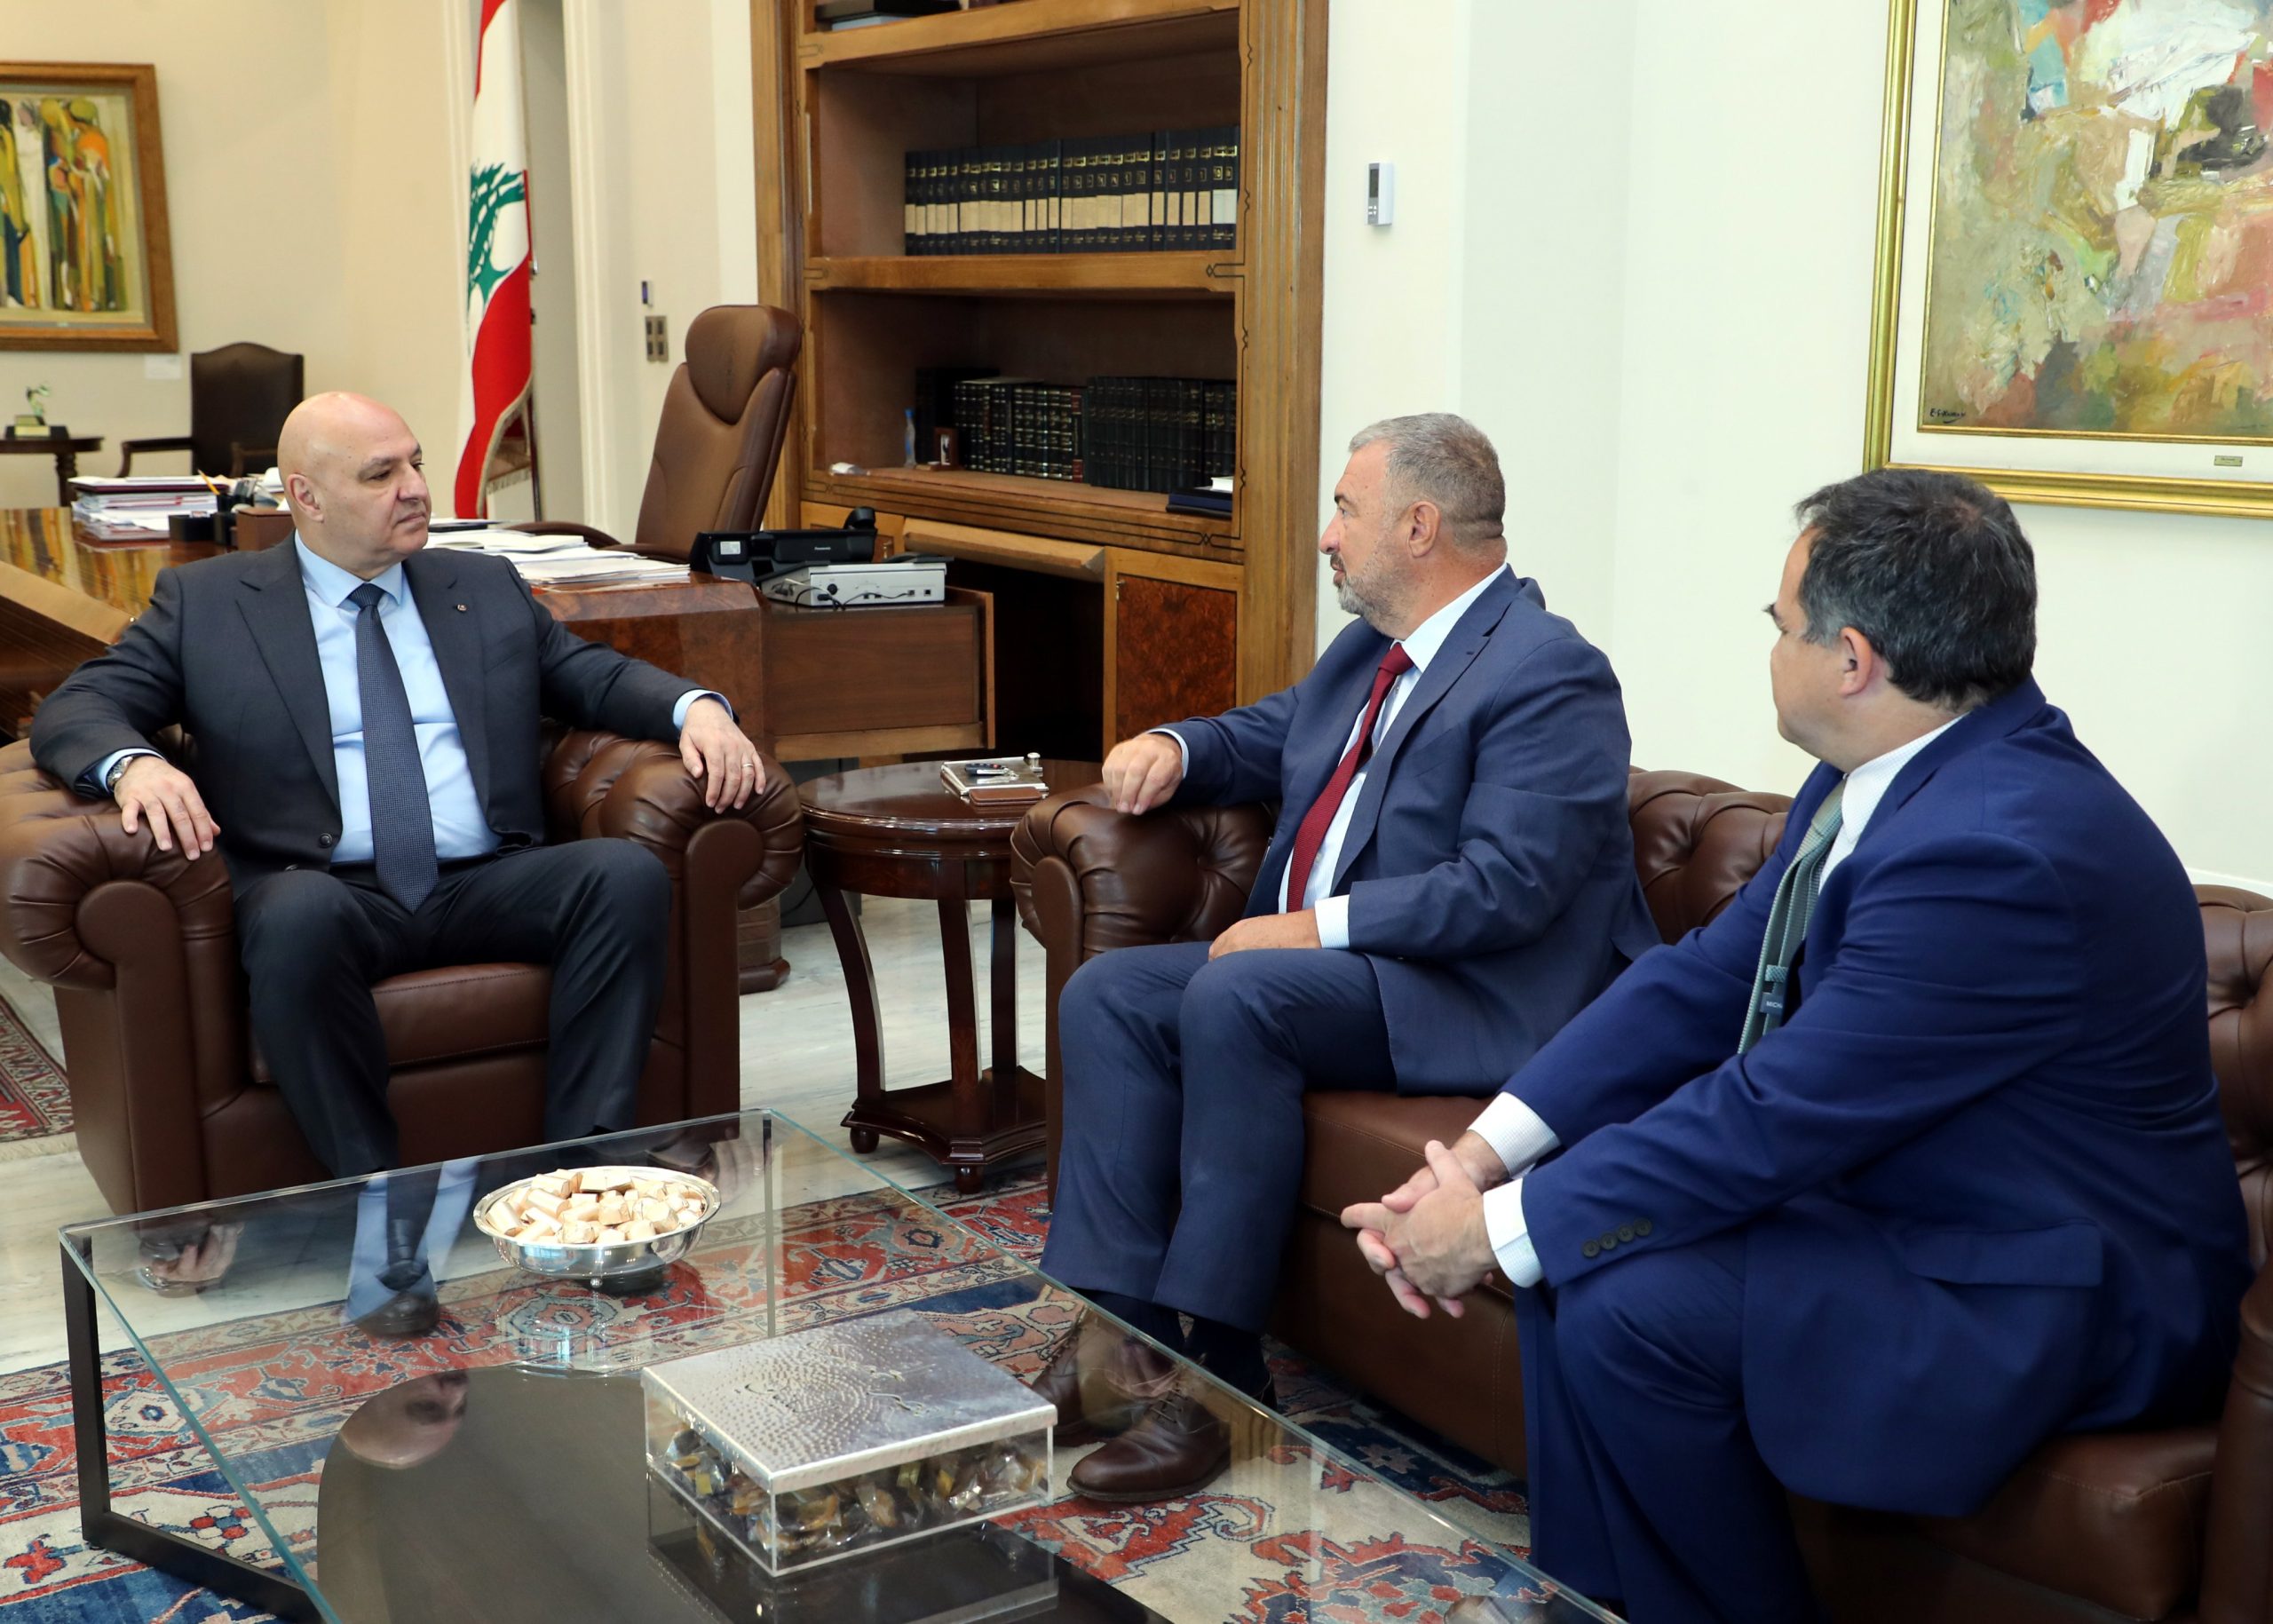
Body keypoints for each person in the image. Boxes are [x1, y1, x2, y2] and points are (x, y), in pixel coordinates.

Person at [1342, 468, 2251, 1624]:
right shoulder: (1883, 770)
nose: (1770, 646)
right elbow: (1705, 980)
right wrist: (1480, 1160)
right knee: (1579, 1250)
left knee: (1622, 1295)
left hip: (2055, 1283)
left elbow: (1776, 1109)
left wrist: (1491, 1229)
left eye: (1780, 626)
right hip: (1910, 1207)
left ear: (1853, 659)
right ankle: (1599, 1594)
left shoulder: (1996, 853)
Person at [31, 392, 768, 1324]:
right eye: (381, 474)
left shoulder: (480, 585)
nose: (416, 488)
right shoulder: (210, 604)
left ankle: (582, 1184)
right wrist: (132, 762)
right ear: (306, 496)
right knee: (294, 917)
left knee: (620, 875)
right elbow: (78, 706)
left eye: (415, 462)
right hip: (324, 888)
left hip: (483, 878)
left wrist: (696, 708)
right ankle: (381, 1206)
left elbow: (593, 675)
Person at [1034, 413, 1658, 1502]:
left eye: (1344, 509)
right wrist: (1175, 743)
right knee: (1110, 994)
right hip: (1345, 978)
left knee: (1240, 993)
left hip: (1473, 993)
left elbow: (1506, 883)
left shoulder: (1550, 672)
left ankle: (1218, 1378)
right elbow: (1273, 732)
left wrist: (1310, 925)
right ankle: (1120, 1338)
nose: (1326, 535)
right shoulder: (1375, 649)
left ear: (1418, 526)